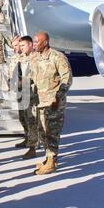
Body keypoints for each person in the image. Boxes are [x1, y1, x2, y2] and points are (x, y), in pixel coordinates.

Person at [31, 32, 73, 175]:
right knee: (42, 132)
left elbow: (66, 78)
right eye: (34, 41)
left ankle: (51, 161)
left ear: (46, 42)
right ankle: (49, 158)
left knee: (52, 132)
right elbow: (32, 77)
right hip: (39, 102)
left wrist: (58, 96)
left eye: (37, 42)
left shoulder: (57, 57)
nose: (34, 44)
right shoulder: (35, 57)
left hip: (53, 102)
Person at [16, 36, 39, 159]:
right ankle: (27, 139)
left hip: (33, 95)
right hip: (23, 93)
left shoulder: (36, 58)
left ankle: (32, 148)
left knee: (32, 121)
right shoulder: (22, 58)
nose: (21, 48)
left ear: (30, 45)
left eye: (23, 45)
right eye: (20, 46)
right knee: (24, 118)